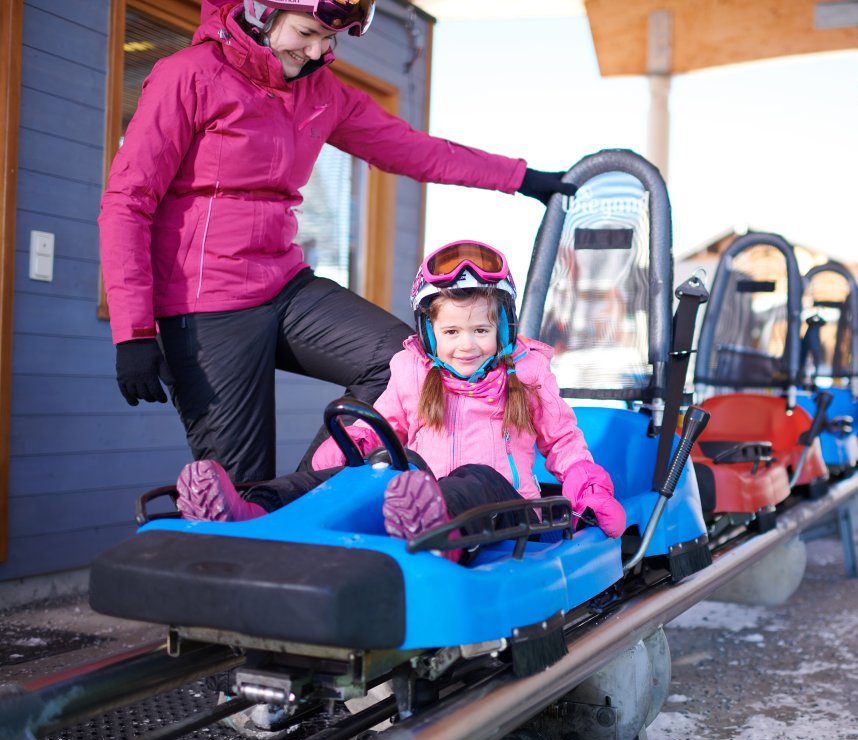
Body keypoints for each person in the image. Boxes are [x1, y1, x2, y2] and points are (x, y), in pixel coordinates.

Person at [99, 0, 576, 484]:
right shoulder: (190, 75)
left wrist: (521, 178)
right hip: (207, 303)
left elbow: (411, 149)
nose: (315, 51)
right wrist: (133, 332)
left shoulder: (321, 93)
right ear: (261, 12)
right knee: (237, 488)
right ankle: (250, 521)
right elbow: (127, 201)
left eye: (329, 40)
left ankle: (300, 495)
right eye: (306, 32)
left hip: (284, 286)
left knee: (399, 362)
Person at [174, 240, 627, 556]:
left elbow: (563, 441)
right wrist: (354, 444)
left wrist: (588, 489)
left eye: (481, 330)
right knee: (378, 474)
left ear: (503, 330)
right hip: (415, 500)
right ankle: (252, 508)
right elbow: (385, 422)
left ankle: (436, 532)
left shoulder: (526, 375)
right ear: (429, 333)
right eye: (451, 331)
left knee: (475, 475)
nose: (466, 345)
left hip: (502, 510)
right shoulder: (412, 371)